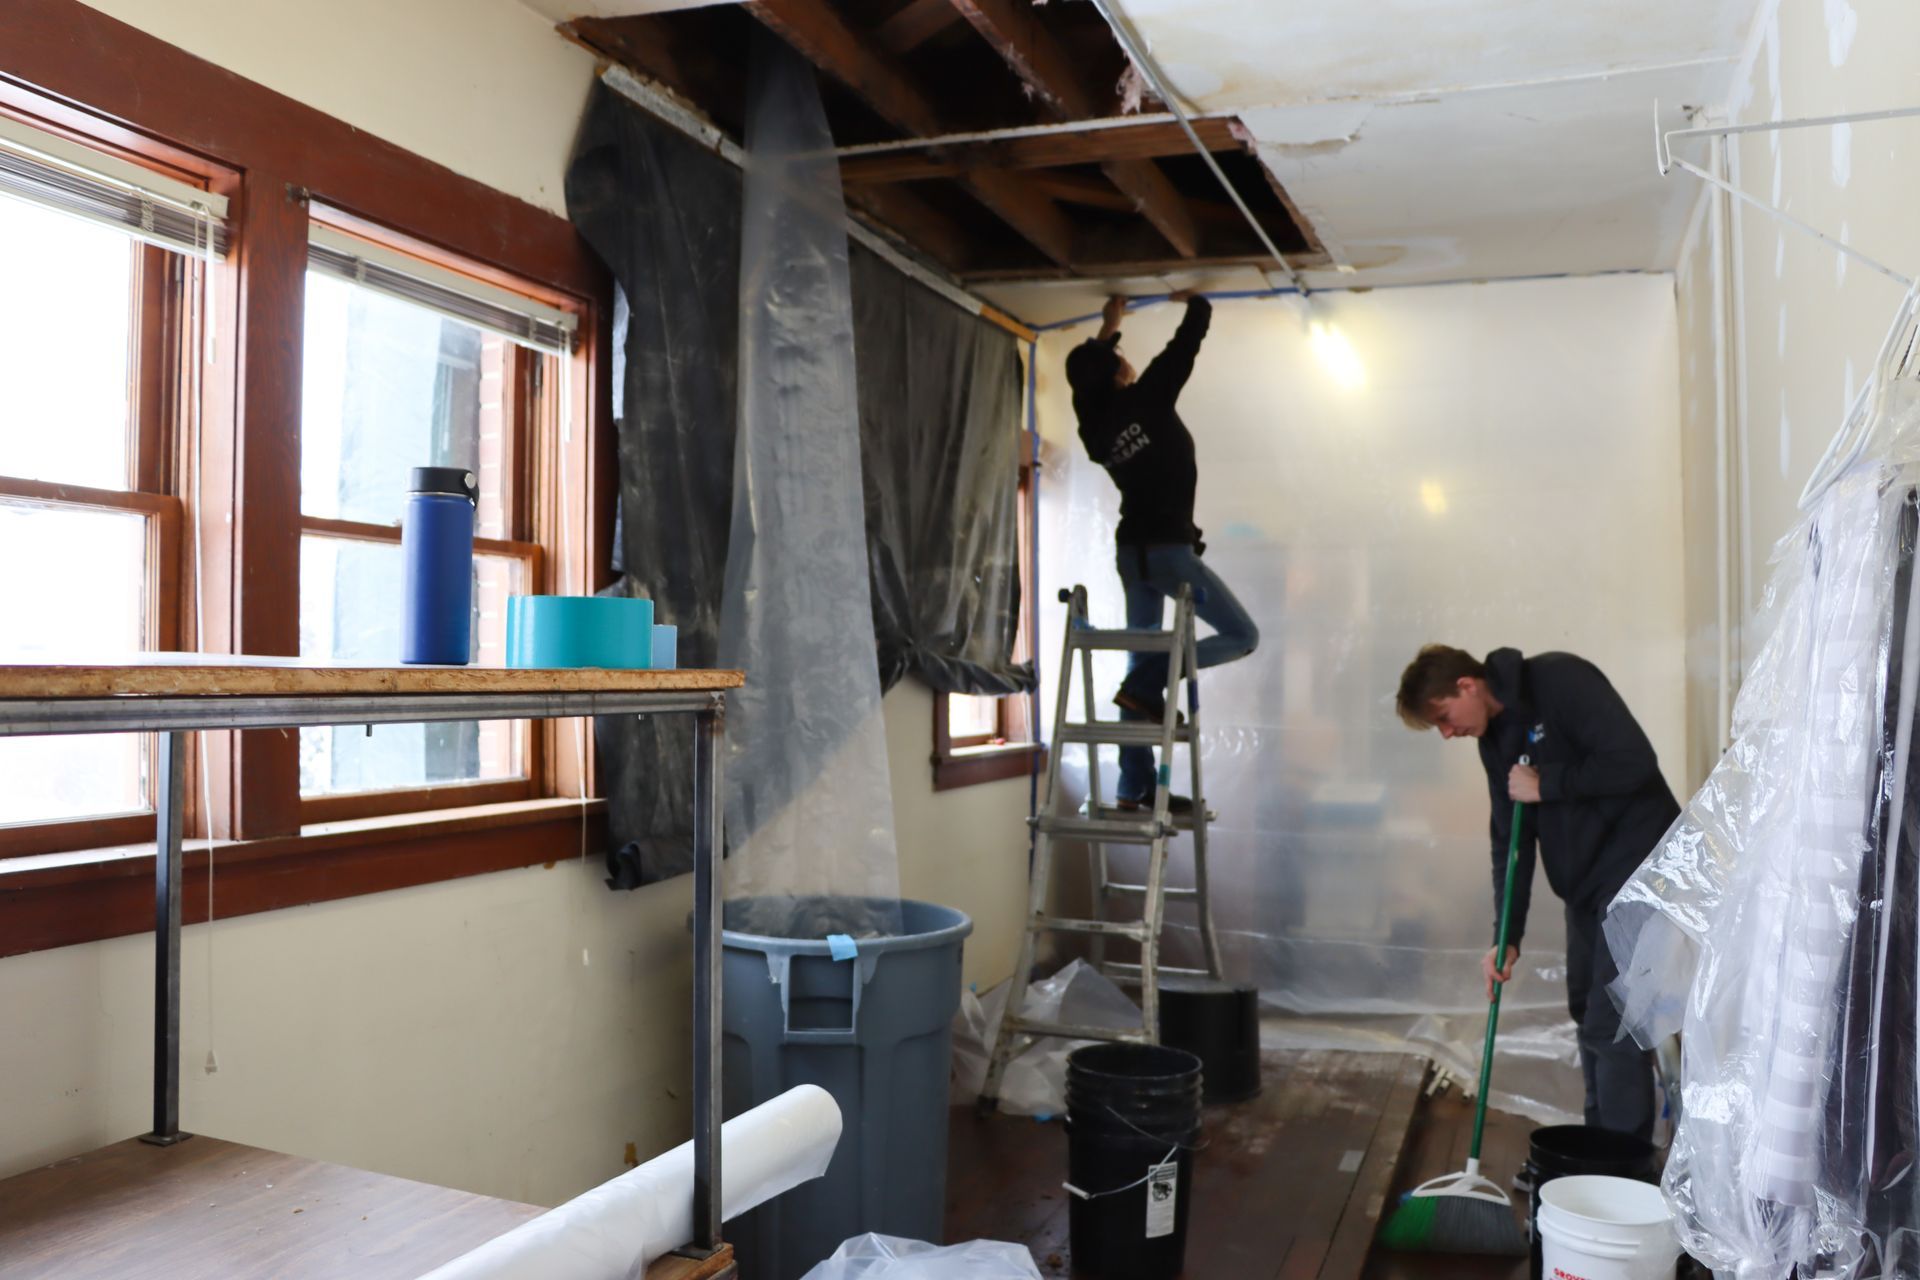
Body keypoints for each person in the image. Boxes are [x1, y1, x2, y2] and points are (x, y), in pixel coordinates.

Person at [1395, 643, 1679, 1141]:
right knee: (1584, 1011)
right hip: (1588, 888)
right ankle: (1600, 1147)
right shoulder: (1495, 740)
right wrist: (1508, 934)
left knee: (1612, 1023)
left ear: (1467, 685)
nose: (1446, 733)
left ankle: (1621, 1170)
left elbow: (1634, 761)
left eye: (1443, 716)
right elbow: (1511, 841)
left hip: (1641, 868)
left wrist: (1548, 783)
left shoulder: (1561, 680)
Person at [1064, 291, 1258, 814]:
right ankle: (1156, 678)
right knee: (1243, 636)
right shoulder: (1146, 398)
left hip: (1132, 555)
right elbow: (1183, 348)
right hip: (1169, 552)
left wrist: (1110, 324)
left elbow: (1086, 382)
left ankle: (1135, 789)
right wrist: (1198, 301)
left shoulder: (1095, 427)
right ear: (1117, 372)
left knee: (1139, 664)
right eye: (1118, 357)